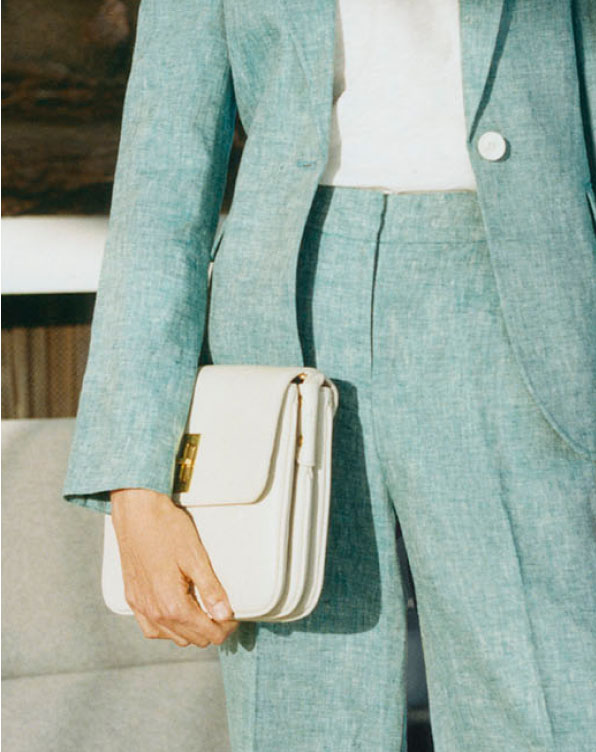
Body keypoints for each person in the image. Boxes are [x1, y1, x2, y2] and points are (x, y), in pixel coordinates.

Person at [63, 1, 596, 750]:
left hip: (526, 304)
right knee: (302, 721)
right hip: (283, 324)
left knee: (555, 707)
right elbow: (162, 180)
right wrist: (135, 481)